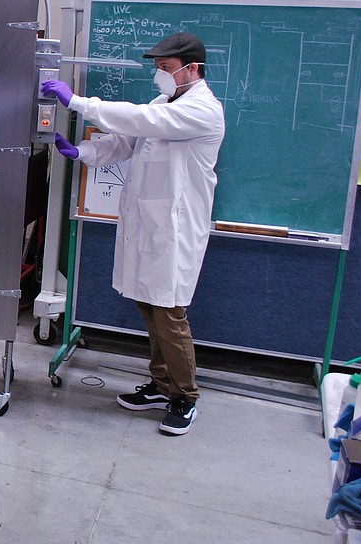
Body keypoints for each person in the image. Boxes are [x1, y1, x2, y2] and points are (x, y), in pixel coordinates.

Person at [41, 32, 225, 436]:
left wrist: (79, 103)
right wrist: (83, 153)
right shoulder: (165, 101)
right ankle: (162, 385)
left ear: (192, 68)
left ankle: (185, 397)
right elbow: (125, 142)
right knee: (149, 305)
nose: (159, 75)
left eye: (166, 68)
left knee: (169, 313)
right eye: (158, 68)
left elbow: (145, 122)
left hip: (175, 228)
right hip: (149, 224)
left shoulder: (203, 110)